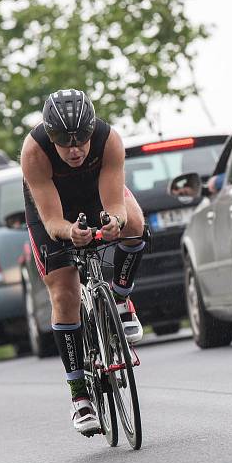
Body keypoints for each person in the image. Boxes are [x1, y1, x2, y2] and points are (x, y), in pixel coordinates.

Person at [22, 89, 146, 436]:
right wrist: (69, 233)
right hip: (53, 210)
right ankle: (80, 398)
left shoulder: (109, 140)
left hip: (96, 193)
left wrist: (115, 223)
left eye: (80, 141)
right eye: (64, 142)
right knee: (65, 293)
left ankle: (121, 299)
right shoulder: (35, 151)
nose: (74, 150)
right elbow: (51, 222)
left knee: (135, 224)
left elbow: (116, 205)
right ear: (51, 136)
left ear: (92, 130)